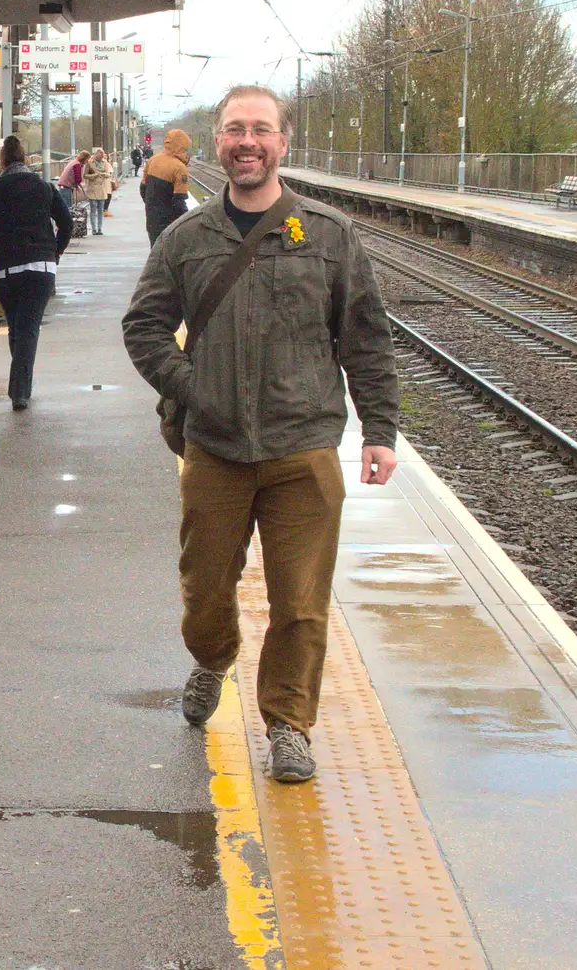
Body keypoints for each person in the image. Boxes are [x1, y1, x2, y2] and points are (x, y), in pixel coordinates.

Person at [121, 84, 399, 785]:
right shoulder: (188, 238)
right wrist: (193, 389)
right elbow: (144, 326)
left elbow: (364, 338)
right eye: (235, 129)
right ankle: (212, 658)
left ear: (283, 143)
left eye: (261, 130)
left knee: (301, 600)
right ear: (216, 141)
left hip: (302, 444)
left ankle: (288, 724)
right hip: (214, 448)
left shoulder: (329, 236)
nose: (248, 141)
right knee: (205, 588)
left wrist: (379, 431)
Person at [0, 134, 74, 410]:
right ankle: (20, 391)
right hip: (39, 266)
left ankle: (21, 386)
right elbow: (65, 223)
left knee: (17, 328)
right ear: (23, 158)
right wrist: (55, 251)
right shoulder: (43, 188)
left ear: (3, 161)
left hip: (4, 270)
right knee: (28, 328)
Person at [142, 129, 191, 245]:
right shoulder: (179, 168)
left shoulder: (153, 160)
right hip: (170, 222)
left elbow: (142, 189)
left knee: (155, 252)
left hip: (152, 218)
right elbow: (179, 201)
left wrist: (152, 206)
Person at [82, 147, 115, 235]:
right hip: (92, 188)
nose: (100, 158)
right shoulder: (89, 163)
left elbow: (108, 174)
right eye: (98, 156)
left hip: (102, 188)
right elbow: (85, 175)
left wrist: (103, 174)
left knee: (100, 210)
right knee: (93, 209)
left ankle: (100, 228)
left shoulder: (105, 163)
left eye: (101, 156)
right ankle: (94, 229)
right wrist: (93, 176)